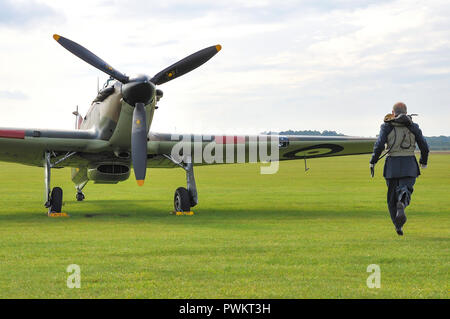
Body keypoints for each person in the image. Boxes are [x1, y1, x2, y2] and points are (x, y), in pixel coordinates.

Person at [370, 102, 429, 236]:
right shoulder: (414, 127)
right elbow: (424, 146)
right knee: (406, 189)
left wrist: (373, 161)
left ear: (393, 111)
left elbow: (379, 145)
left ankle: (398, 226)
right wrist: (423, 161)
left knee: (391, 199)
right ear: (406, 112)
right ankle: (402, 200)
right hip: (409, 165)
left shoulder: (386, 126)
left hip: (391, 166)